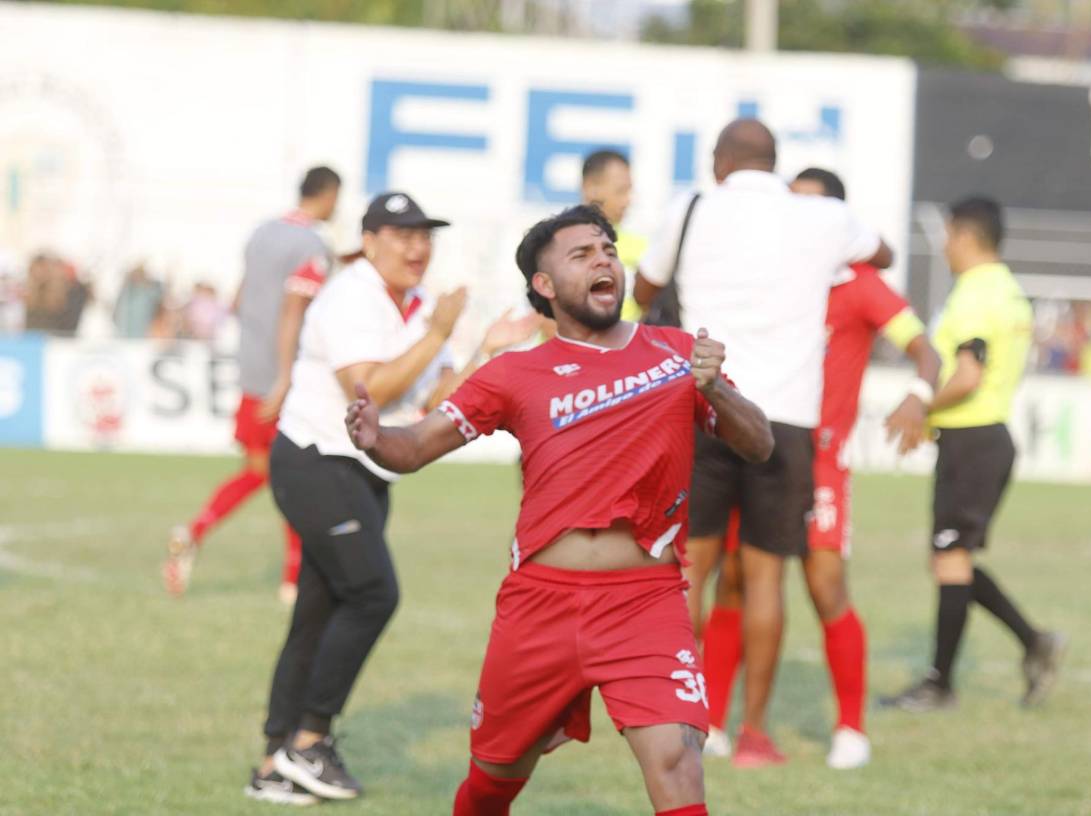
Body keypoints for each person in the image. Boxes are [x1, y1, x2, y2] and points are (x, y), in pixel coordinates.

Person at [345, 205, 774, 815]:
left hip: (645, 602)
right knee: (494, 777)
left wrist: (716, 389)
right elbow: (413, 447)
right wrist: (374, 436)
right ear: (544, 286)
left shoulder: (679, 353)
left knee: (678, 759)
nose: (604, 259)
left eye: (607, 249)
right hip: (540, 605)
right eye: (582, 254)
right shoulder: (513, 373)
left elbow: (758, 444)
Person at [247, 191, 538, 805]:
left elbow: (435, 403)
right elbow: (370, 391)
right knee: (374, 594)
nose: (417, 247)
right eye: (402, 234)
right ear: (370, 240)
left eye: (425, 235)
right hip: (314, 460)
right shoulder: (349, 296)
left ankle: (276, 762)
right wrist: (436, 335)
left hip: (363, 473)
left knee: (319, 613)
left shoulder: (420, 304)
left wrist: (488, 349)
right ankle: (309, 740)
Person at [633, 119, 893, 767]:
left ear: (721, 164)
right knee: (765, 577)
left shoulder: (692, 208)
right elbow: (881, 251)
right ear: (774, 165)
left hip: (704, 403)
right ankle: (754, 734)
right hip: (785, 421)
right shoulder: (821, 216)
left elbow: (643, 290)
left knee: (690, 571)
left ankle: (679, 720)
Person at [698, 167, 941, 769]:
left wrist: (919, 394)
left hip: (822, 461)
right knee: (733, 579)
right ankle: (713, 725)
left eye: (808, 210)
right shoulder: (767, 274)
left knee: (824, 585)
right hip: (763, 451)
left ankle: (851, 729)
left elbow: (923, 345)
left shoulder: (858, 283)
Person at [881, 196, 1066, 712]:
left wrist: (920, 407)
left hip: (973, 439)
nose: (943, 245)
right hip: (985, 437)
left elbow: (967, 376)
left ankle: (941, 684)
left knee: (950, 558)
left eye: (947, 234)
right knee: (950, 560)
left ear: (962, 234)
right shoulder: (1009, 291)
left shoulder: (974, 296)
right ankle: (1034, 642)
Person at [164, 166, 341, 603]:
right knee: (300, 475)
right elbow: (293, 313)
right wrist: (285, 376)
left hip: (251, 373)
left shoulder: (260, 234)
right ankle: (292, 578)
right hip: (288, 377)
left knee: (263, 471)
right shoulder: (312, 244)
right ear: (329, 194)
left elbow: (239, 300)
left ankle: (194, 531)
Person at [580, 149, 647, 321]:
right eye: (620, 191)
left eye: (629, 191)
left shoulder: (642, 248)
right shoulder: (555, 244)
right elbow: (549, 321)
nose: (628, 200)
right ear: (590, 188)